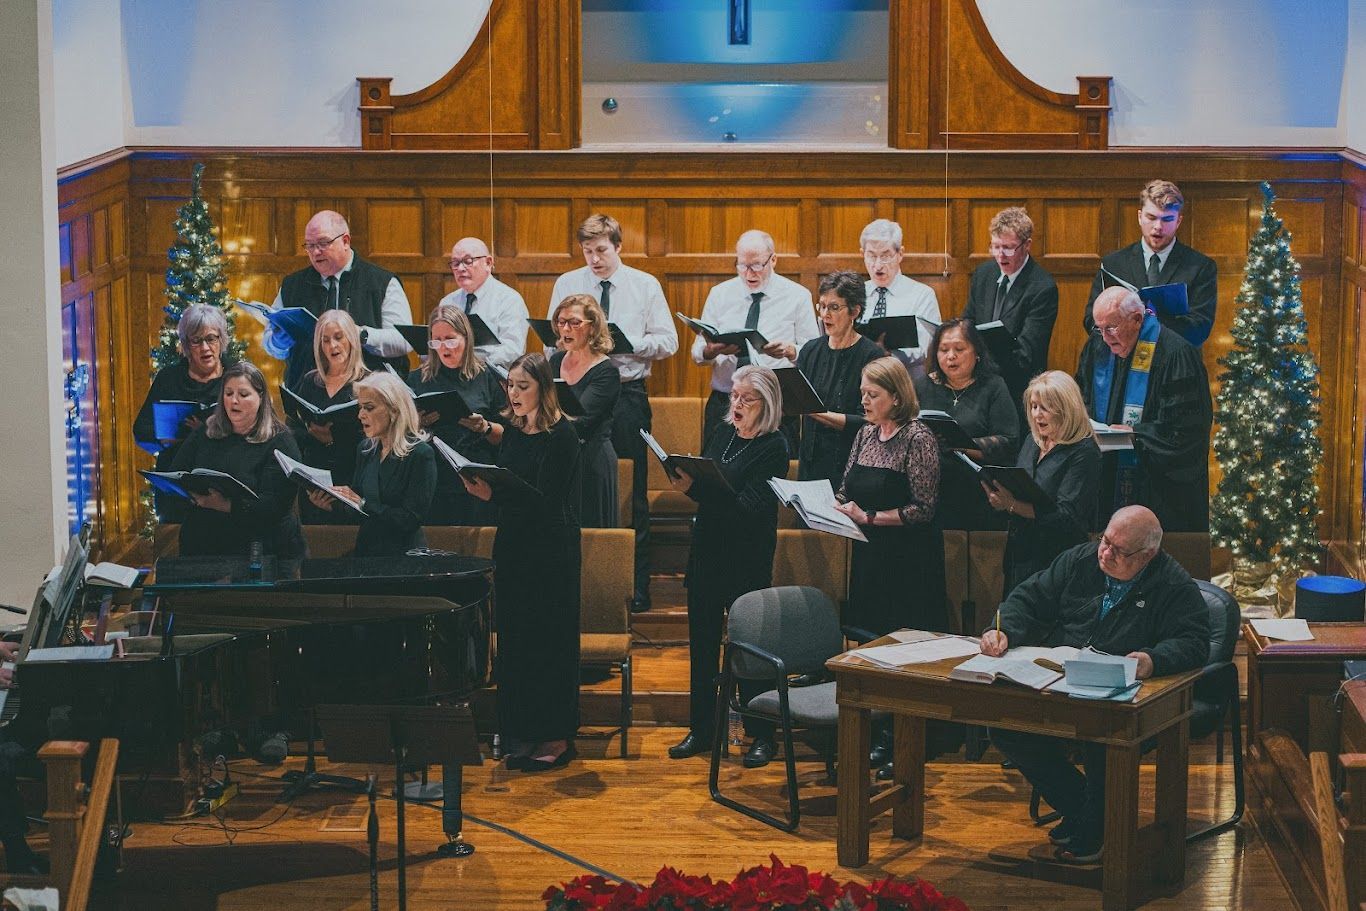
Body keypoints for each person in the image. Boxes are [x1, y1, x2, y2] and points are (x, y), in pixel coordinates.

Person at [980, 506, 1209, 863]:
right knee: (1006, 728)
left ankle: (1098, 828)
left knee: (1103, 737)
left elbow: (1194, 641)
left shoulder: (1173, 584)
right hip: (1062, 678)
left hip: (1122, 694)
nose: (1106, 553)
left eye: (1120, 551)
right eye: (1105, 541)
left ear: (1148, 555)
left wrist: (1151, 659)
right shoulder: (1081, 559)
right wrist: (1003, 629)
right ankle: (1086, 810)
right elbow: (1029, 597)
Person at [549, 214, 678, 612]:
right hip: (574, 389)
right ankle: (574, 583)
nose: (594, 259)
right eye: (587, 251)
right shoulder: (568, 284)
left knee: (630, 491)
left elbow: (669, 341)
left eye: (602, 250)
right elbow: (553, 337)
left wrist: (625, 342)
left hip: (625, 393)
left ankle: (633, 585)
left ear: (618, 247)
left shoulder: (644, 284)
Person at [462, 353, 581, 772]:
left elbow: (547, 501)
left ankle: (555, 737)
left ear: (544, 389)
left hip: (552, 549)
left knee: (549, 641)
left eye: (522, 387)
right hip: (513, 543)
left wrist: (494, 495)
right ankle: (523, 733)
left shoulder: (562, 435)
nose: (513, 394)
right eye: (509, 386)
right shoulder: (513, 432)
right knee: (515, 640)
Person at [665, 366, 789, 768]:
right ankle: (702, 729)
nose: (735, 405)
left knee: (751, 650)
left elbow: (750, 508)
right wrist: (693, 486)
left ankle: (761, 735)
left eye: (746, 399)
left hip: (746, 559)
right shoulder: (723, 434)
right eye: (733, 396)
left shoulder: (774, 447)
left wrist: (697, 489)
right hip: (707, 554)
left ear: (766, 404)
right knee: (701, 648)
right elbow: (714, 492)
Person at [1077, 286, 1212, 532]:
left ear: (1137, 319)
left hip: (1156, 486)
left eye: (1112, 327)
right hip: (1105, 473)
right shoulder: (1098, 348)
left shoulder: (1176, 355)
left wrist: (1135, 434)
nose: (1105, 337)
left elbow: (1185, 431)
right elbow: (1083, 397)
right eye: (1099, 328)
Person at [835, 357, 946, 636]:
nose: (865, 401)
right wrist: (831, 506)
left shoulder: (918, 437)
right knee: (867, 637)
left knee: (901, 644)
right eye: (862, 393)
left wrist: (868, 517)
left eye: (873, 395)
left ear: (896, 397)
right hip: (868, 554)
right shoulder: (865, 433)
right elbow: (846, 487)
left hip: (907, 560)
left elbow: (923, 509)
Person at [691, 229, 818, 447]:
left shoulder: (797, 296)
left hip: (775, 403)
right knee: (718, 471)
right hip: (727, 399)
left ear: (773, 260)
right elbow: (698, 352)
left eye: (757, 265)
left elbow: (814, 352)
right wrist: (711, 350)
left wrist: (790, 350)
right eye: (742, 265)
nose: (749, 273)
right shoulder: (720, 294)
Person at [171, 362, 305, 559]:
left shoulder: (280, 441)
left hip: (260, 549)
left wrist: (226, 505)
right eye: (228, 393)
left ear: (260, 398)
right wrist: (193, 495)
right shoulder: (206, 431)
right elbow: (177, 472)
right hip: (202, 543)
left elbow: (275, 506)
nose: (234, 401)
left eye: (243, 395)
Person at [983, 371, 1101, 595]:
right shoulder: (1032, 441)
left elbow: (1068, 517)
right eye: (1034, 406)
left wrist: (1012, 505)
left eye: (1045, 408)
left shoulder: (1084, 452)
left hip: (1058, 561)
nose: (1037, 415)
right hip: (1021, 554)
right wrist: (1000, 497)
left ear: (1066, 409)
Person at [270, 210, 413, 387]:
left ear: (345, 241)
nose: (315, 252)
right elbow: (272, 343)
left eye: (323, 243)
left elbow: (404, 341)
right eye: (309, 245)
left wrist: (361, 335)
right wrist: (278, 342)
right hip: (307, 393)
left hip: (368, 397)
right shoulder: (292, 285)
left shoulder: (382, 282)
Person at [307, 372, 436, 557]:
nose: (360, 415)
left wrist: (363, 504)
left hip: (405, 556)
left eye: (369, 408)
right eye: (360, 408)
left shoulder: (421, 454)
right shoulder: (366, 450)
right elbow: (358, 506)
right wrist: (331, 505)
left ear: (394, 410)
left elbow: (410, 519)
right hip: (367, 549)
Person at [913, 319, 1019, 530]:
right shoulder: (923, 385)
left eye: (959, 349)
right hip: (929, 484)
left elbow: (1009, 442)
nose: (951, 356)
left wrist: (962, 445)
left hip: (977, 486)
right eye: (943, 350)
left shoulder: (993, 386)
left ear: (977, 352)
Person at [406, 304, 507, 525]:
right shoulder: (417, 379)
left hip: (475, 473)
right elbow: (402, 434)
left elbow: (507, 435)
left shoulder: (487, 376)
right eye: (436, 340)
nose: (443, 347)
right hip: (432, 474)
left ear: (466, 338)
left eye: (450, 339)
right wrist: (417, 424)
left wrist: (484, 427)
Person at [1084, 180, 1217, 347]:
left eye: (1167, 219)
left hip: (1176, 365)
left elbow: (1200, 328)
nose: (1158, 227)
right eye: (1151, 217)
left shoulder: (1200, 267)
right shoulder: (1113, 264)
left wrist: (1140, 325)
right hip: (1122, 362)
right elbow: (1091, 320)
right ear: (1140, 217)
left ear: (1178, 221)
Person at [134, 303, 231, 524]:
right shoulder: (169, 379)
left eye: (211, 338)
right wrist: (164, 438)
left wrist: (208, 432)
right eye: (197, 341)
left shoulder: (236, 376)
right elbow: (141, 430)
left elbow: (257, 428)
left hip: (222, 482)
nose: (206, 348)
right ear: (186, 345)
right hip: (176, 484)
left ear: (222, 339)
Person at [961, 207, 1058, 414]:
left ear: (1027, 245)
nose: (1000, 255)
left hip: (1017, 391)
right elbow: (968, 320)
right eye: (995, 246)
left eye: (1009, 248)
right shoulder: (983, 274)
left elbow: (1027, 354)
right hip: (978, 385)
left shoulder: (1042, 287)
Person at [795, 271, 883, 485]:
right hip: (810, 462)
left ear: (854, 311)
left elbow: (869, 420)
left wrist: (816, 413)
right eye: (822, 306)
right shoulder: (810, 350)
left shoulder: (872, 356)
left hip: (852, 464)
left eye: (834, 307)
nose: (825, 314)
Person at [288, 310, 368, 525]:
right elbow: (293, 428)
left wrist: (331, 441)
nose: (332, 346)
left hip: (350, 479)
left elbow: (371, 441)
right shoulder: (310, 381)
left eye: (338, 337)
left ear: (351, 339)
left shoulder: (368, 383)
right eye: (325, 340)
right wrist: (311, 434)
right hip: (314, 479)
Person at [549, 294, 622, 528]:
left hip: (591, 462)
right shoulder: (555, 360)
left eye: (574, 322)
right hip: (560, 458)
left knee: (592, 540)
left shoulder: (606, 371)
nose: (566, 329)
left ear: (593, 327)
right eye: (561, 322)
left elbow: (581, 420)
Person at [436, 237, 529, 372]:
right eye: (455, 263)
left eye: (468, 261)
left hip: (492, 379)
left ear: (488, 262)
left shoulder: (509, 300)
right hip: (451, 376)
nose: (460, 268)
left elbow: (513, 351)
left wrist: (468, 358)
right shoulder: (448, 302)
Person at [860, 218, 942, 363]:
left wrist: (885, 355)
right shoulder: (857, 293)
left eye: (885, 256)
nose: (878, 265)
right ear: (862, 254)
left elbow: (927, 347)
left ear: (900, 254)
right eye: (872, 256)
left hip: (904, 379)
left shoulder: (922, 295)